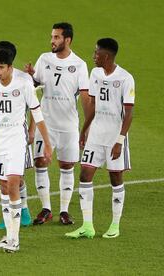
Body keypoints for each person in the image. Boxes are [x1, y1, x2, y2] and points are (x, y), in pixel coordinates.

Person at [0, 48, 52, 252]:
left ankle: (14, 239)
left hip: (17, 138)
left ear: (10, 66)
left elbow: (37, 113)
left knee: (13, 183)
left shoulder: (23, 83)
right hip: (0, 139)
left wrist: (47, 143)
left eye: (1, 67)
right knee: (3, 186)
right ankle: (8, 235)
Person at [66, 38, 135, 239]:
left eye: (96, 53)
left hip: (115, 136)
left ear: (106, 56)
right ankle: (88, 226)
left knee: (115, 178)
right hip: (96, 135)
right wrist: (84, 130)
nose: (93, 56)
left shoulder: (125, 78)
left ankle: (115, 225)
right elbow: (93, 106)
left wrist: (120, 141)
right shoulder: (95, 73)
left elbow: (129, 113)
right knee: (85, 175)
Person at [25, 22, 90, 225]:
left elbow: (86, 96)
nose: (52, 40)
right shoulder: (45, 59)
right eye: (52, 37)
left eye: (56, 37)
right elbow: (34, 85)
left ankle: (64, 210)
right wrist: (30, 76)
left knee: (67, 165)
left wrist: (86, 128)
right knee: (40, 162)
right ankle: (46, 209)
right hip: (46, 124)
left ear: (67, 40)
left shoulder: (79, 65)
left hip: (69, 125)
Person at [0, 41, 35, 230]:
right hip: (0, 133)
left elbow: (35, 109)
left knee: (16, 177)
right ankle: (11, 217)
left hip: (17, 132)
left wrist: (31, 131)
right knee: (2, 177)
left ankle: (24, 212)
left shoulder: (23, 80)